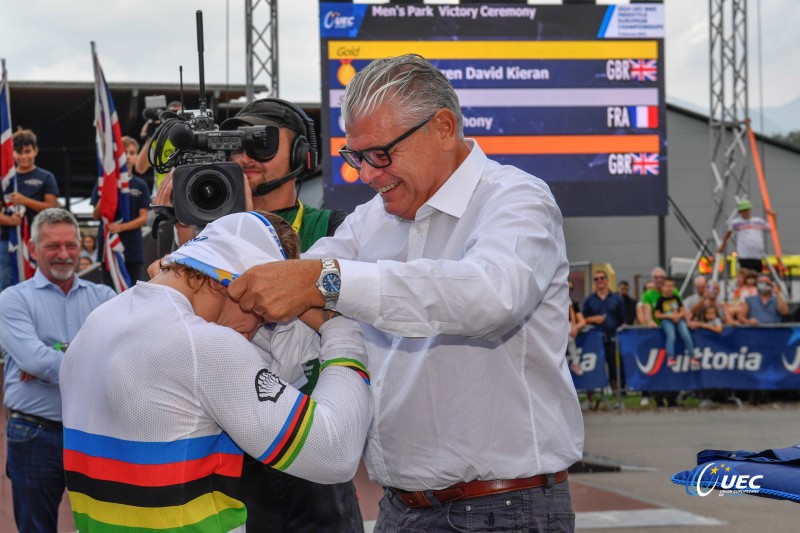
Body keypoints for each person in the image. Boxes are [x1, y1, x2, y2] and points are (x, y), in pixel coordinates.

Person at [228, 54, 584, 531]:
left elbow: (491, 296)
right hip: (400, 509)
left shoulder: (516, 199)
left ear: (442, 127)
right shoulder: (372, 219)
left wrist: (323, 283)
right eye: (356, 157)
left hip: (503, 510)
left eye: (381, 153)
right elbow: (294, 287)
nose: (368, 175)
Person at [60, 211, 373, 533]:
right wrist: (341, 331)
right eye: (262, 312)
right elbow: (336, 453)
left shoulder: (99, 320)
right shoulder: (203, 345)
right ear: (226, 281)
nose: (256, 330)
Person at [156, 98, 358, 533]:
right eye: (235, 146)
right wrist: (187, 236)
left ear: (302, 155)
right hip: (223, 451)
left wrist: (243, 230)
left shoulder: (336, 227)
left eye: (260, 143)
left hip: (308, 448)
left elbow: (352, 310)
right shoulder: (196, 227)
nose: (244, 156)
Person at [0, 208, 116, 532]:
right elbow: (33, 360)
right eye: (52, 246)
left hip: (95, 433)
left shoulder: (105, 297)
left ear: (82, 247)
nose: (63, 254)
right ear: (33, 247)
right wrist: (89, 359)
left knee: (104, 525)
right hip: (33, 435)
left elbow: (123, 357)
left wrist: (53, 356)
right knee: (36, 527)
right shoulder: (12, 300)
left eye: (71, 245)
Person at [0, 128, 59, 290]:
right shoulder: (5, 180)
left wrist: (24, 200)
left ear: (35, 150)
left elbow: (51, 207)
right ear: (12, 153)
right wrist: (10, 221)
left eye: (27, 151)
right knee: (5, 282)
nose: (24, 156)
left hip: (38, 239)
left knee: (39, 282)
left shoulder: (46, 177)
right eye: (19, 152)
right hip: (8, 240)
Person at [90, 135, 151, 285]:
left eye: (132, 153)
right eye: (124, 153)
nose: (128, 157)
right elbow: (96, 215)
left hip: (132, 249)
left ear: (137, 156)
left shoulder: (140, 185)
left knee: (133, 290)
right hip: (109, 248)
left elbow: (143, 218)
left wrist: (121, 227)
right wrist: (106, 191)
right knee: (110, 291)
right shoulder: (103, 182)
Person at [582, 270, 626, 390]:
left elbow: (624, 319)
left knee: (614, 365)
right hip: (594, 339)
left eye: (602, 278)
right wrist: (592, 319)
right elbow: (582, 319)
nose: (599, 281)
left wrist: (623, 326)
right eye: (596, 279)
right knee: (595, 366)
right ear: (594, 283)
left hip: (613, 338)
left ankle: (617, 389)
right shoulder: (589, 300)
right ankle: (596, 391)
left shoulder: (617, 298)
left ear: (607, 281)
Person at [716, 199, 771, 272]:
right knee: (746, 276)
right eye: (743, 210)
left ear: (750, 210)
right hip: (744, 255)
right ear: (740, 212)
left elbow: (772, 228)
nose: (745, 212)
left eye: (747, 210)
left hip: (757, 255)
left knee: (755, 277)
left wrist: (773, 215)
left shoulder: (758, 221)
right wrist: (722, 246)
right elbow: (727, 234)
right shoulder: (736, 222)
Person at [653, 277, 696, 364]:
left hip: (678, 319)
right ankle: (670, 357)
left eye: (671, 286)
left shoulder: (676, 298)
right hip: (666, 321)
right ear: (663, 287)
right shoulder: (660, 300)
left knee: (686, 335)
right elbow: (657, 314)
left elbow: (682, 310)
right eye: (667, 286)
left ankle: (692, 356)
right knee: (671, 336)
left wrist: (677, 316)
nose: (669, 288)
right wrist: (669, 316)